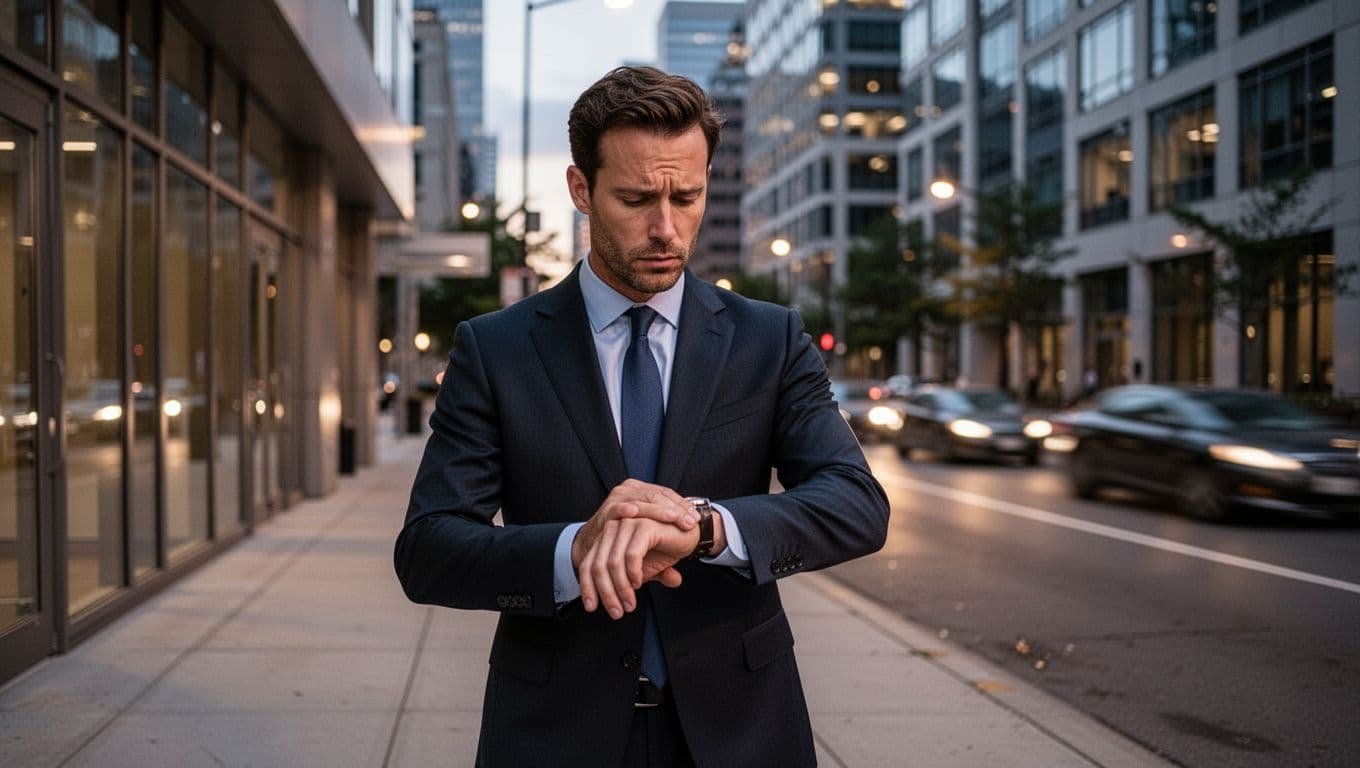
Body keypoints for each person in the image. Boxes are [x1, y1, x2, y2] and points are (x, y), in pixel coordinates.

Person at [394, 66, 889, 767]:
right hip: (553, 731)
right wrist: (577, 550)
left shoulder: (768, 339)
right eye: (634, 199)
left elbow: (856, 504)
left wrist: (707, 529)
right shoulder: (496, 349)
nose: (665, 227)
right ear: (580, 190)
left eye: (686, 196)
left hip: (740, 729)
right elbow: (429, 550)